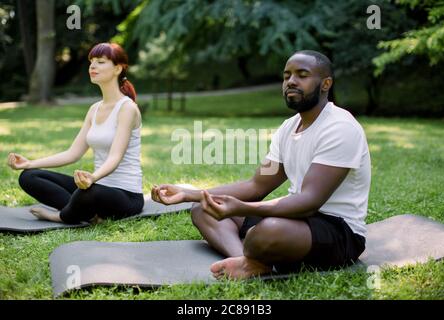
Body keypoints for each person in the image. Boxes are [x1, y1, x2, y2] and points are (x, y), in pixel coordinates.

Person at [151, 50, 371, 279]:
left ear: (325, 83)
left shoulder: (339, 127)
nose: (291, 82)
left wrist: (241, 207)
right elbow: (256, 186)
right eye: (287, 76)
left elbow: (309, 202)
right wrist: (188, 194)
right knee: (203, 210)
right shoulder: (289, 128)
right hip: (296, 219)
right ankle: (247, 262)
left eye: (302, 75)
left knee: (268, 231)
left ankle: (251, 258)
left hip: (338, 231)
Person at [7, 43, 144, 224]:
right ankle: (87, 214)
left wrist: (93, 177)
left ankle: (61, 216)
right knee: (29, 176)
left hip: (126, 195)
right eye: (91, 62)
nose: (92, 66)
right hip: (96, 187)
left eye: (100, 62)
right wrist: (30, 163)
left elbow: (115, 157)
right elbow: (73, 153)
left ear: (117, 68)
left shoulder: (127, 108)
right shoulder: (94, 109)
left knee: (89, 192)